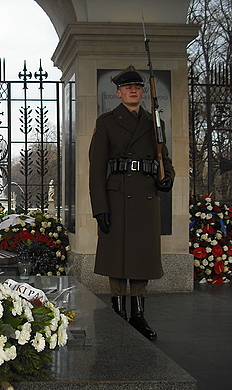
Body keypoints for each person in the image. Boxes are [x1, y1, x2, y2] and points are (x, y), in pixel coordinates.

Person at [88, 65, 175, 341]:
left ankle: (138, 314)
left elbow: (166, 160)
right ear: (119, 93)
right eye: (128, 88)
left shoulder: (154, 122)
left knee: (141, 257)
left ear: (142, 92)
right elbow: (96, 168)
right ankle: (117, 311)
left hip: (146, 197)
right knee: (117, 258)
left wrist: (167, 178)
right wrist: (100, 208)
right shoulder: (107, 122)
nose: (133, 91)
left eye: (137, 88)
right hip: (117, 197)